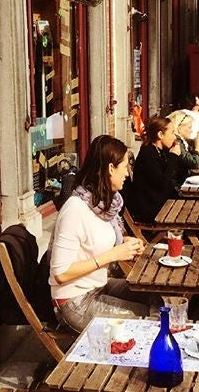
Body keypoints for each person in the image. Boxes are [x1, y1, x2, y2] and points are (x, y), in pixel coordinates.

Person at [49, 135, 159, 332]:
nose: (127, 173)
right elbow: (60, 273)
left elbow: (94, 239)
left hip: (99, 286)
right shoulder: (75, 209)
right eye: (125, 166)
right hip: (75, 301)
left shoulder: (101, 203)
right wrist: (114, 254)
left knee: (159, 298)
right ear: (110, 168)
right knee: (148, 321)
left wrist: (125, 242)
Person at [126, 116, 182, 224]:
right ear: (160, 135)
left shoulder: (160, 151)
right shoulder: (148, 153)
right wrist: (174, 157)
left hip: (159, 202)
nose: (174, 137)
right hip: (150, 208)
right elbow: (162, 183)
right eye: (171, 133)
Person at [166, 110, 199, 185]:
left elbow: (192, 156)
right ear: (179, 127)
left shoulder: (182, 141)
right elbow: (195, 164)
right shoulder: (176, 142)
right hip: (177, 185)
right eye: (189, 127)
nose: (191, 131)